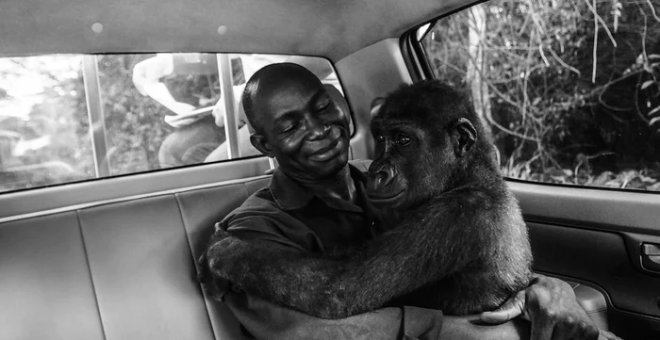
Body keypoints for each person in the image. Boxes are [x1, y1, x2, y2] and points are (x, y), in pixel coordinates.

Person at [201, 63, 619, 340]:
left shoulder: (402, 181)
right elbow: (300, 329)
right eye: (291, 125)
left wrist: (546, 287)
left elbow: (473, 267)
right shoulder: (252, 227)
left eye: (323, 108)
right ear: (262, 143)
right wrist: (451, 330)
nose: (320, 130)